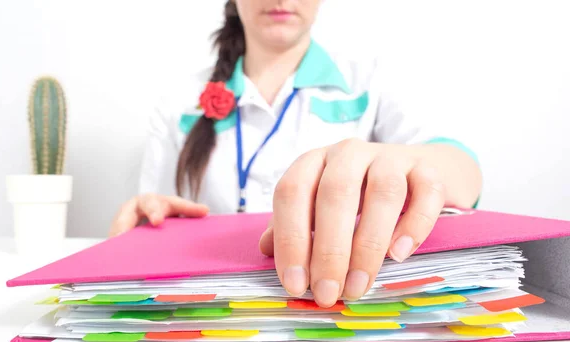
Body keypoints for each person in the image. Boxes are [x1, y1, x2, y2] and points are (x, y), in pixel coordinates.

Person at [109, 0, 482, 308]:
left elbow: (462, 173)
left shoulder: (371, 79)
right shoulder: (179, 100)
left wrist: (406, 166)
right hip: (210, 307)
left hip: (342, 305)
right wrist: (151, 218)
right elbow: (153, 206)